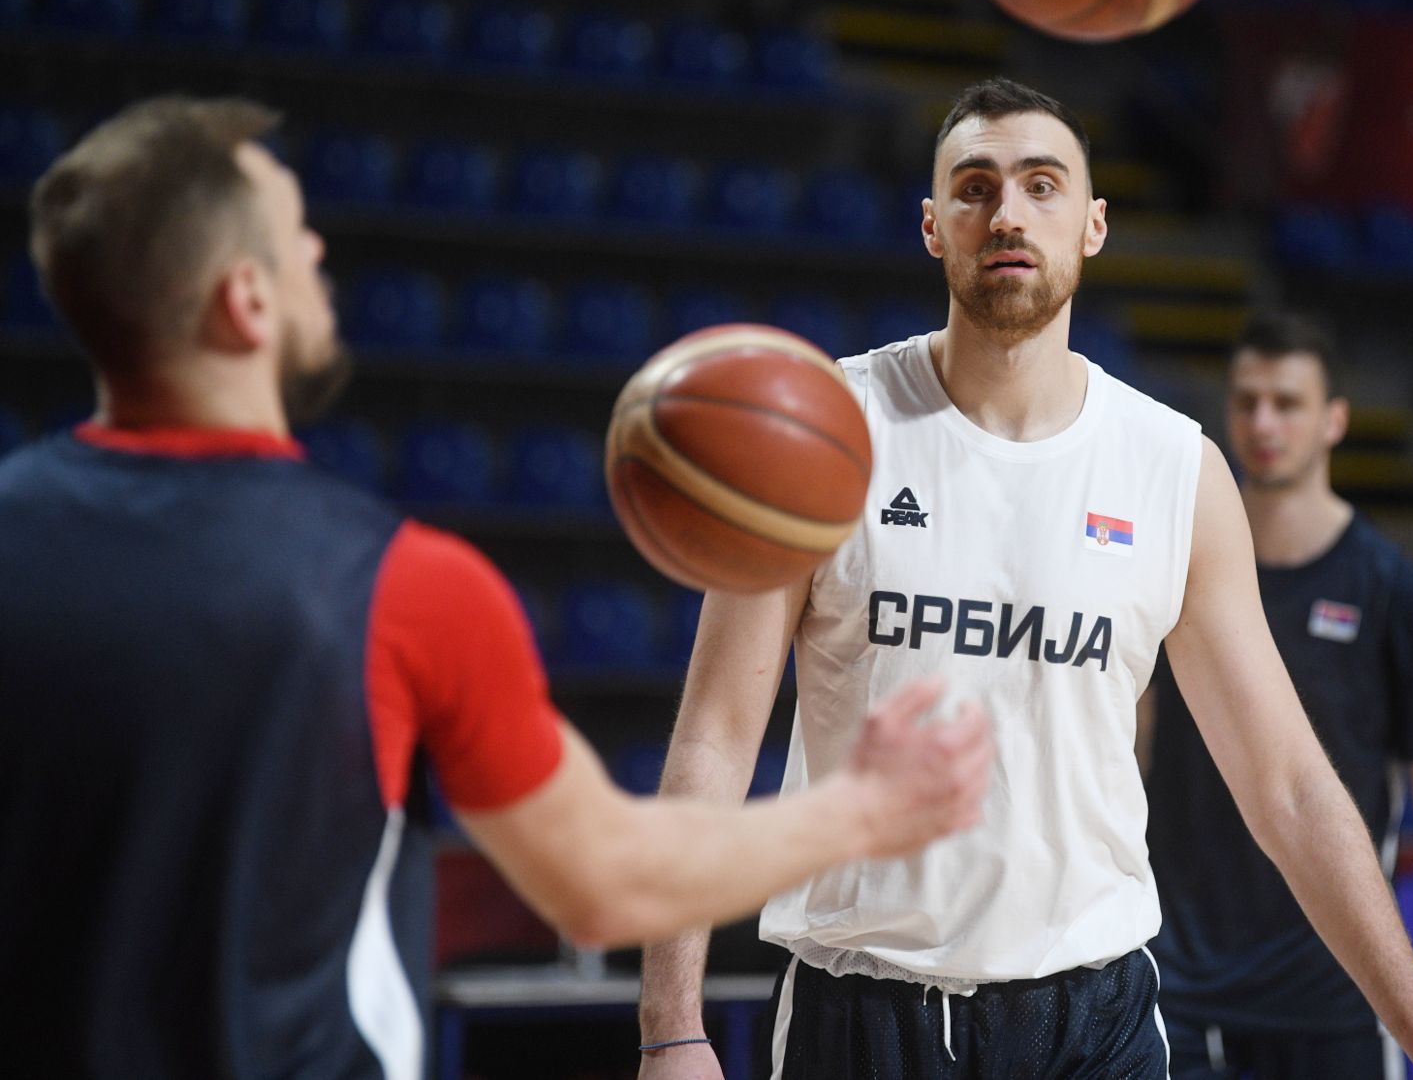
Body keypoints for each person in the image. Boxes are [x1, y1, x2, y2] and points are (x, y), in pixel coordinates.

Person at [0, 96, 993, 1080]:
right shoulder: (396, 585)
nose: (316, 256)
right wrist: (861, 809)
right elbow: (603, 881)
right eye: (296, 234)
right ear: (244, 301)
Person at [637, 78, 1413, 1080]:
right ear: (932, 226)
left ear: (1092, 224)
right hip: (862, 1012)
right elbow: (714, 739)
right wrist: (669, 1023)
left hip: (1094, 1015)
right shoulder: (818, 435)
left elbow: (1287, 787)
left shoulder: (1172, 469)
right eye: (974, 188)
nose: (1007, 215)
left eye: (1041, 185)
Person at [1145, 312, 1413, 1080]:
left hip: (1333, 997)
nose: (1263, 421)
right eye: (1247, 400)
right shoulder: (1176, 566)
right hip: (1178, 986)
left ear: (1336, 420)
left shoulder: (1394, 592)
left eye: (1287, 402)